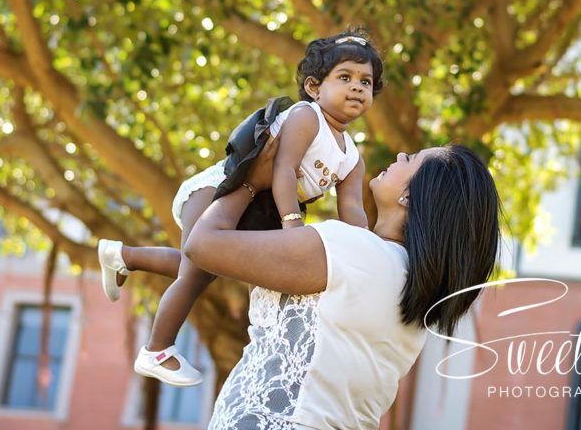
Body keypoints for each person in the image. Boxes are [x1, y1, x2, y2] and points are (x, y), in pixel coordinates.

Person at [181, 136, 502, 430]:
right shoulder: (411, 288)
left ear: (410, 195)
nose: (401, 152)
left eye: (412, 159)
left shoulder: (353, 251)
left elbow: (201, 245)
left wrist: (251, 180)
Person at [97, 28, 385, 386]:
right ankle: (156, 350)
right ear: (314, 87)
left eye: (366, 82)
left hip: (255, 208)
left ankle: (123, 256)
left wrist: (367, 252)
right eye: (345, 78)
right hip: (219, 189)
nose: (357, 87)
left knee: (206, 267)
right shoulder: (306, 118)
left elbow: (353, 209)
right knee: (196, 272)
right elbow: (282, 169)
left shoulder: (352, 158)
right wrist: (292, 226)